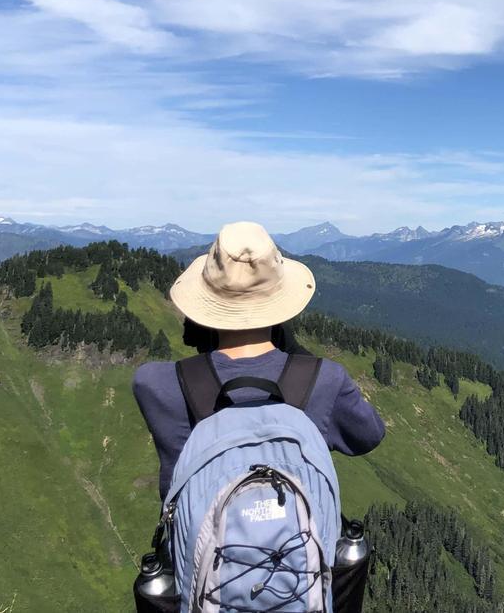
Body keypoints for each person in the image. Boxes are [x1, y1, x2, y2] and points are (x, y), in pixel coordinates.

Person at [131, 221, 384, 612]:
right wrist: (295, 353)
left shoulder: (158, 385)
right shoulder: (325, 380)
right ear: (282, 304)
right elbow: (369, 434)